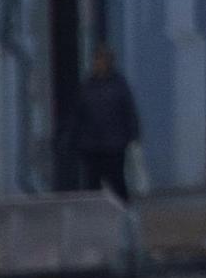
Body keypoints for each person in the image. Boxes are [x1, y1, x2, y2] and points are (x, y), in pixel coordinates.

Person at [57, 57, 143, 201]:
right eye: (97, 63)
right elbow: (77, 114)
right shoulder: (88, 86)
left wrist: (133, 136)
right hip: (91, 145)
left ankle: (123, 211)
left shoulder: (118, 85)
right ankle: (95, 213)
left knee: (117, 179)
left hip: (114, 144)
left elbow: (129, 111)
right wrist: (71, 138)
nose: (99, 65)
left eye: (101, 62)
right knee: (92, 182)